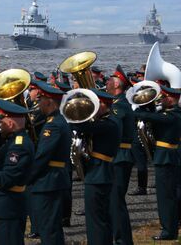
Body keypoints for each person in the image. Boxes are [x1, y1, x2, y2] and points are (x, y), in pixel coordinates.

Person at [135, 85, 181, 241]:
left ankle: (169, 231)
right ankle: (169, 228)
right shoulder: (168, 113)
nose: (160, 100)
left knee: (165, 197)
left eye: (163, 97)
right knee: (165, 195)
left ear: (171, 99)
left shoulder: (174, 115)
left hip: (166, 158)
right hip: (164, 157)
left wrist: (139, 109)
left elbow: (148, 117)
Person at [74, 89, 120, 245]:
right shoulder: (107, 122)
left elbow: (80, 127)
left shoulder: (108, 124)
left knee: (96, 220)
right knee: (102, 217)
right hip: (100, 172)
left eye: (96, 103)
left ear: (103, 105)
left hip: (99, 174)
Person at [27, 82, 70, 245]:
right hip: (53, 180)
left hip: (49, 181)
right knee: (51, 227)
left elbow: (42, 157)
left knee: (48, 228)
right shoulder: (56, 121)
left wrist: (26, 177)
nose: (38, 104)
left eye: (41, 100)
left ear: (49, 102)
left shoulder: (53, 126)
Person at [0, 99, 35, 245]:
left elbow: (7, 178)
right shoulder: (14, 141)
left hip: (7, 206)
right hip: (6, 206)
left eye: (2, 120)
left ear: (10, 123)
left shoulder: (18, 146)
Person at [106, 65, 135, 245]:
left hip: (120, 156)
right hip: (117, 156)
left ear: (117, 85)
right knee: (114, 202)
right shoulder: (117, 104)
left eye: (110, 80)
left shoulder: (119, 106)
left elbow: (112, 128)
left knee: (116, 202)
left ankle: (123, 240)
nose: (107, 82)